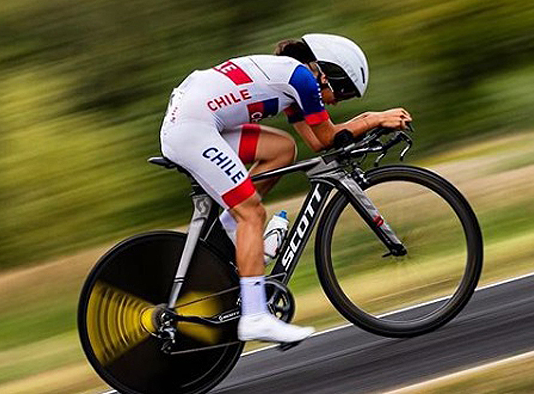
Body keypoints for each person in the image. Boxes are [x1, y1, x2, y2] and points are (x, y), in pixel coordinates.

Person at [160, 33, 412, 344]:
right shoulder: (302, 79)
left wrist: (367, 122)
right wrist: (375, 118)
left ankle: (229, 230)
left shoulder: (291, 78)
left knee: (282, 149)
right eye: (343, 93)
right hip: (192, 130)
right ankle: (255, 317)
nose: (337, 101)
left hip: (194, 122)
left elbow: (319, 142)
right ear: (326, 73)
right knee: (252, 213)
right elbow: (331, 136)